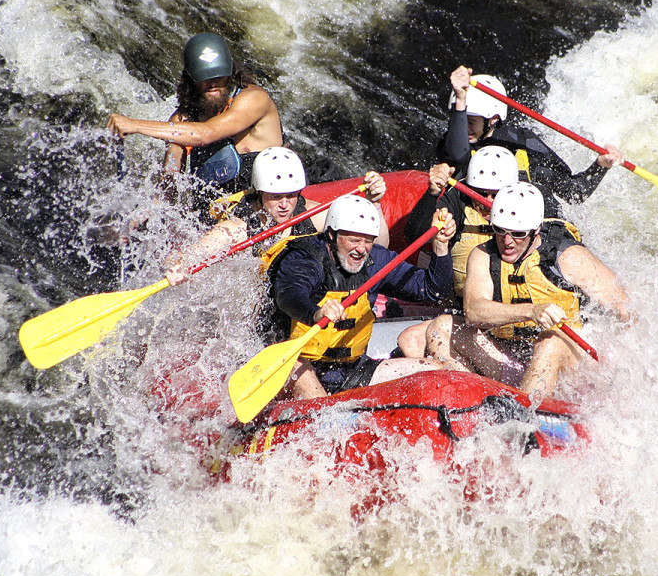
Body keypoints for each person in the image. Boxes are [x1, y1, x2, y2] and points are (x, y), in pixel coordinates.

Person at [430, 183, 632, 401]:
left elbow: (627, 310)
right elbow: (474, 312)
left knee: (550, 341)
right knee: (440, 327)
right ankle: (469, 403)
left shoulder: (569, 257)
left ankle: (521, 419)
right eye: (500, 231)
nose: (506, 242)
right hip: (516, 357)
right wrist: (531, 311)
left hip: (573, 361)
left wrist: (620, 367)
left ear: (535, 231)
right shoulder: (483, 255)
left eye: (517, 233)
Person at [268, 195, 459, 399]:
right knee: (318, 403)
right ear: (332, 234)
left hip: (353, 368)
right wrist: (316, 313)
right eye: (354, 240)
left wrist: (441, 247)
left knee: (438, 372)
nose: (361, 249)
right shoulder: (304, 258)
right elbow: (288, 295)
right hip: (298, 363)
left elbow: (432, 290)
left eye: (368, 240)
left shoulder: (376, 260)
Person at [164, 147, 389, 285]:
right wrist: (178, 266)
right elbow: (186, 256)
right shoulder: (237, 229)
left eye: (291, 195)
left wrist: (374, 204)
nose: (284, 205)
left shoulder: (315, 215)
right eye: (275, 196)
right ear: (260, 193)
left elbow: (380, 248)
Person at [106, 32, 284, 200]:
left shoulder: (253, 99)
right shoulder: (182, 122)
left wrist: (135, 125)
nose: (213, 83)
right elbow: (170, 180)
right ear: (191, 80)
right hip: (215, 214)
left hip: (262, 207)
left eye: (219, 76)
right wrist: (145, 215)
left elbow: (207, 133)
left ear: (230, 74)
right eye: (204, 78)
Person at [394, 146, 524, 358]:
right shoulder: (459, 199)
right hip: (468, 313)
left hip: (511, 320)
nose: (488, 202)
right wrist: (433, 193)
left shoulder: (526, 210)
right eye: (481, 194)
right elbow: (416, 235)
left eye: (496, 194)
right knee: (410, 340)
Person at [436, 66, 624, 205]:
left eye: (470, 121)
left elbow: (574, 193)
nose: (463, 127)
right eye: (459, 119)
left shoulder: (524, 144)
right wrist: (460, 100)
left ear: (492, 119)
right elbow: (457, 156)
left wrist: (600, 166)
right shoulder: (453, 143)